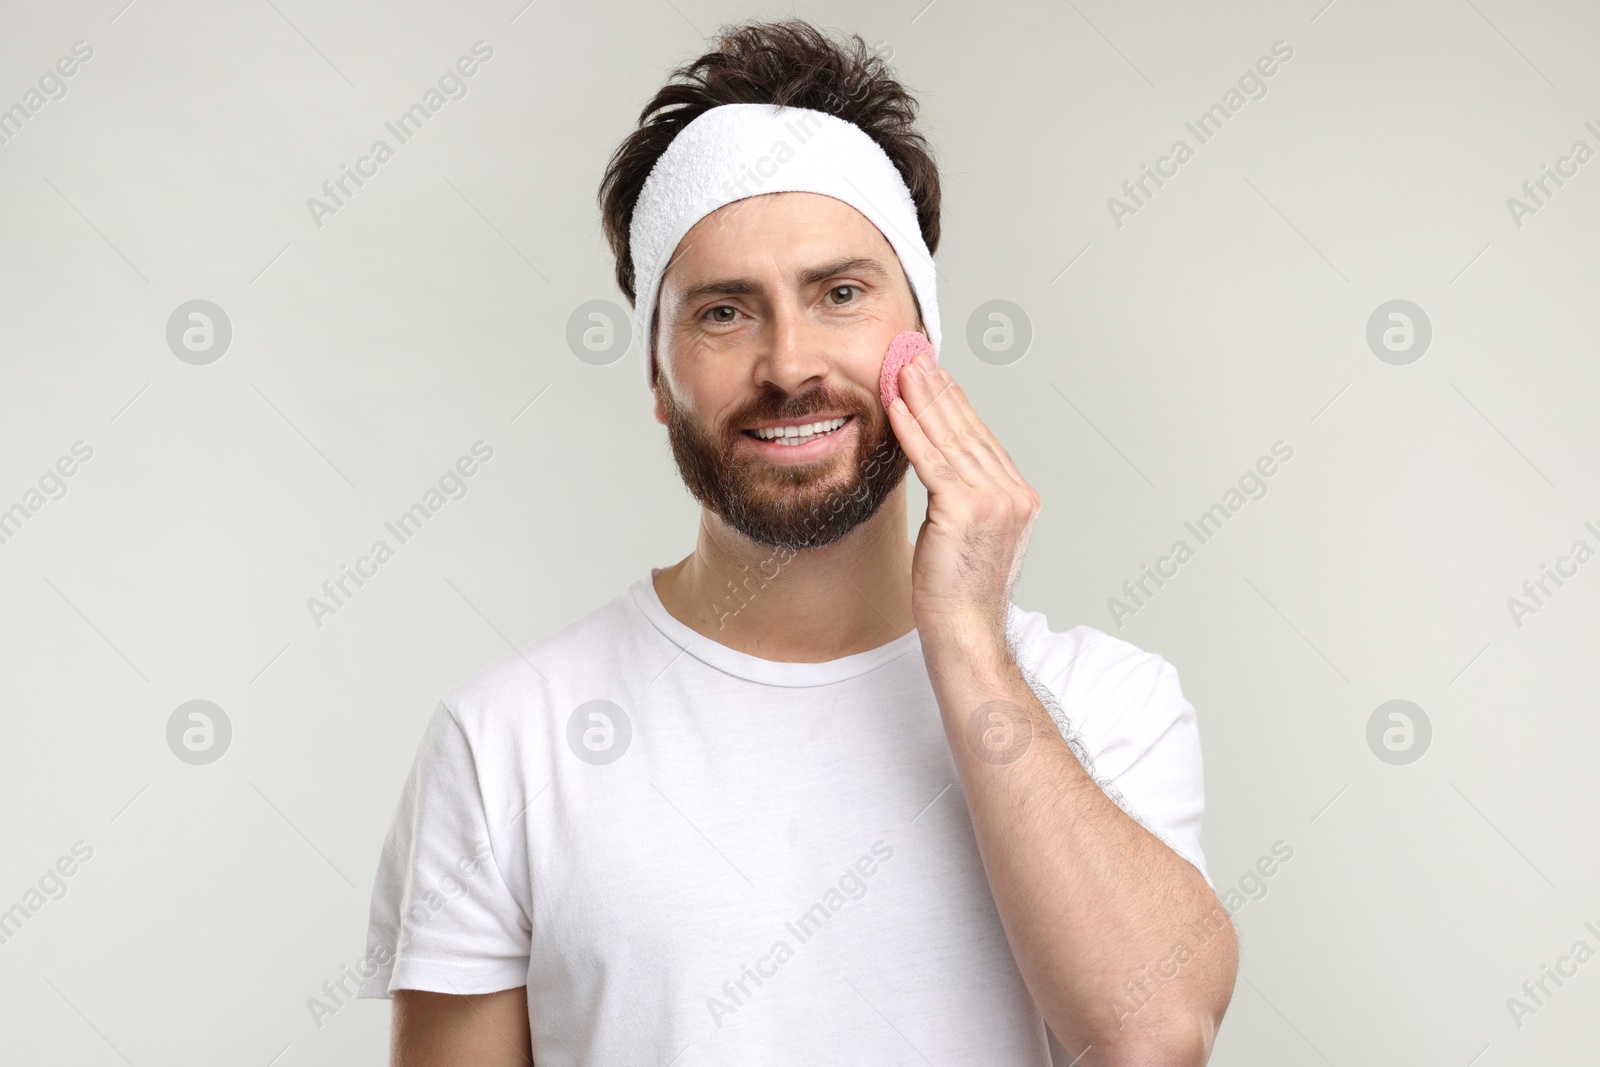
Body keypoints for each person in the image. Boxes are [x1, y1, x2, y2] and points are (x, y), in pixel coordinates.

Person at [356, 17, 1237, 1066]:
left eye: (841, 293)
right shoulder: (505, 740)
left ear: (926, 340)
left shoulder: (1104, 702)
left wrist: (961, 635)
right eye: (724, 312)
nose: (789, 363)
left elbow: (1151, 1037)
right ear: (655, 375)